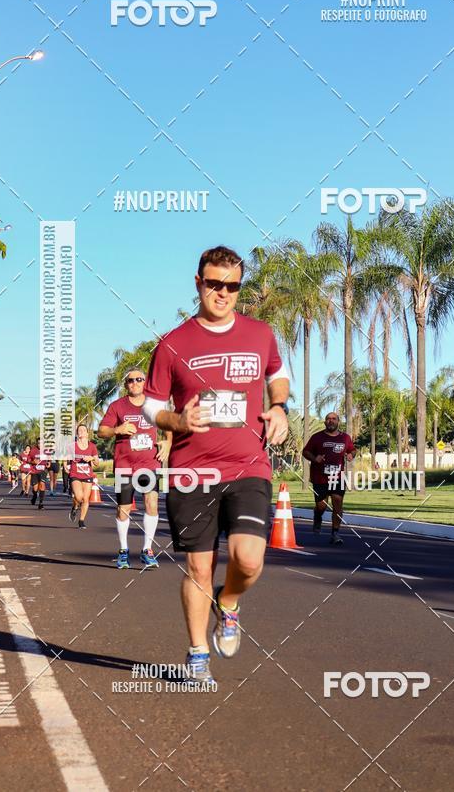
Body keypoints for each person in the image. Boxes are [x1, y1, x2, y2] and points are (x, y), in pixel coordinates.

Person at [143, 245, 289, 685]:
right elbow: (151, 407)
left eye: (232, 286)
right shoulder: (173, 343)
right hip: (193, 470)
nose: (223, 293)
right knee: (198, 567)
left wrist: (279, 406)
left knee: (248, 560)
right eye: (214, 284)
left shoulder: (260, 334)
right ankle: (197, 654)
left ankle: (228, 604)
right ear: (198, 283)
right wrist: (177, 418)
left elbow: (277, 374)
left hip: (248, 464)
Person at [98, 369, 164, 569]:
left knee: (151, 502)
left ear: (145, 382)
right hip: (125, 465)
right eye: (130, 380)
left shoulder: (154, 406)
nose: (135, 383)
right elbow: (101, 431)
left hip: (149, 463)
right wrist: (117, 429)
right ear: (126, 385)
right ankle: (124, 550)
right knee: (124, 509)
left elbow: (169, 425)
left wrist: (168, 442)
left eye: (139, 379)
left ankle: (147, 550)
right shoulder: (117, 406)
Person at [302, 412, 355, 545]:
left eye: (333, 419)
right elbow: (305, 451)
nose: (331, 421)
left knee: (338, 502)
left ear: (338, 422)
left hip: (337, 477)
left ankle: (335, 533)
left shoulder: (345, 438)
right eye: (328, 419)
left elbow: (353, 450)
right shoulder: (317, 437)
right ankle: (317, 517)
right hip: (320, 478)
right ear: (325, 422)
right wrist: (315, 458)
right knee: (322, 506)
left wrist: (350, 455)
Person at [68, 424, 98, 529]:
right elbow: (66, 457)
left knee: (86, 499)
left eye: (83, 430)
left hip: (87, 474)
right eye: (79, 430)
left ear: (86, 433)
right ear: (77, 433)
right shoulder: (72, 446)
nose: (81, 431)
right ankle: (75, 506)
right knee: (79, 497)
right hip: (75, 474)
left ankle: (81, 521)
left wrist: (92, 458)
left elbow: (97, 463)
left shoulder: (92, 446)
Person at [27, 443, 48, 509]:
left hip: (43, 471)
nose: (40, 444)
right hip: (34, 471)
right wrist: (33, 462)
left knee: (42, 485)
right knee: (35, 488)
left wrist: (49, 463)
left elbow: (49, 458)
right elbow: (28, 460)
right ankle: (35, 496)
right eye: (38, 443)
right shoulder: (33, 451)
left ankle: (41, 503)